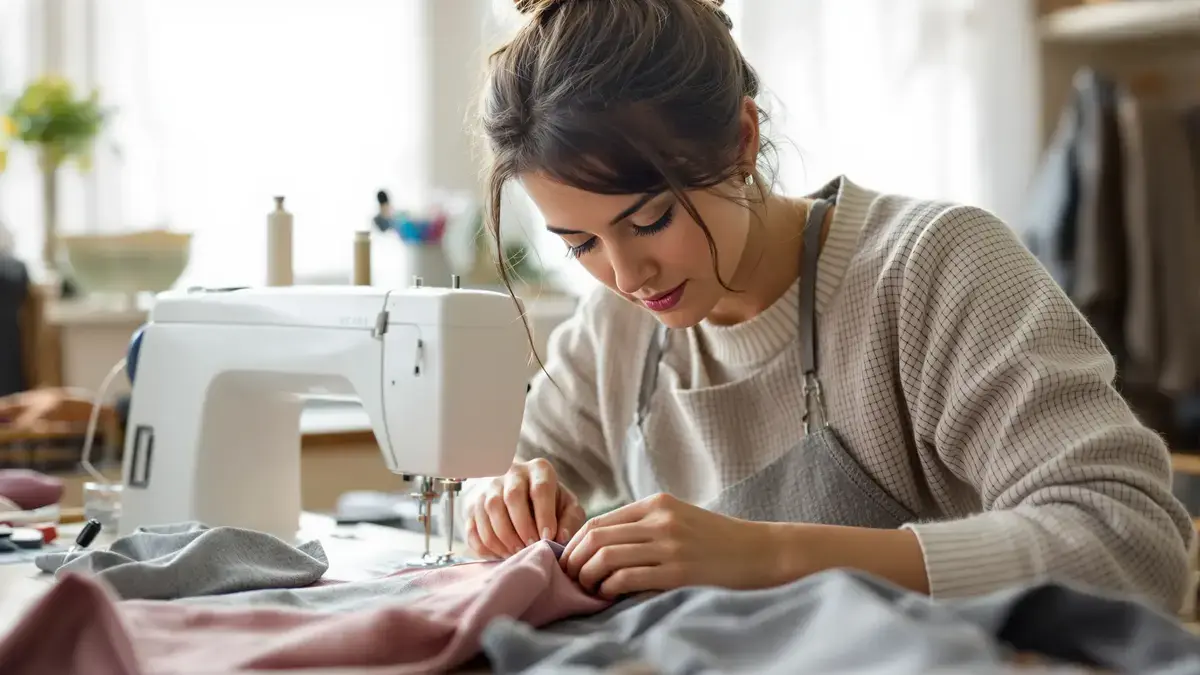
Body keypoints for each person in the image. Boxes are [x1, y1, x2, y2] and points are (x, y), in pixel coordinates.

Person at [459, 0, 1195, 612]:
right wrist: (500, 498)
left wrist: (771, 554)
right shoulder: (615, 329)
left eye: (650, 220)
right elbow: (511, 469)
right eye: (579, 243)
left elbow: (1132, 541)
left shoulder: (933, 267)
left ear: (743, 140)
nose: (626, 274)